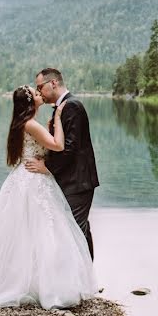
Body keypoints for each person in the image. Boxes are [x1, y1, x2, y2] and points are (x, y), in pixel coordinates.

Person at [0, 85, 97, 309]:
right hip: (34, 181)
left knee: (28, 232)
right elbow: (58, 145)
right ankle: (44, 284)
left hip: (24, 179)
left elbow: (41, 145)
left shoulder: (25, 124)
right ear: (30, 102)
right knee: (43, 230)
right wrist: (57, 122)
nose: (39, 94)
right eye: (35, 94)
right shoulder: (31, 124)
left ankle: (30, 280)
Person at [25, 68, 99, 259]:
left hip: (78, 181)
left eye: (40, 87)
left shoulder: (72, 106)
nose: (39, 91)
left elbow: (70, 148)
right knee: (76, 227)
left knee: (75, 229)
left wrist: (46, 167)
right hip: (70, 179)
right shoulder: (64, 107)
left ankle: (85, 281)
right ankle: (85, 279)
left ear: (53, 83)